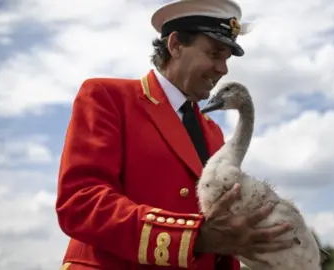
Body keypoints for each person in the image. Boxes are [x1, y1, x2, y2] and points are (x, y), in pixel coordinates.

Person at [55, 0, 294, 269]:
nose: (223, 69)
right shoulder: (107, 97)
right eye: (215, 54)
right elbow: (81, 203)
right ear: (176, 45)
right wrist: (195, 237)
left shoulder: (213, 131)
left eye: (226, 58)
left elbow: (224, 235)